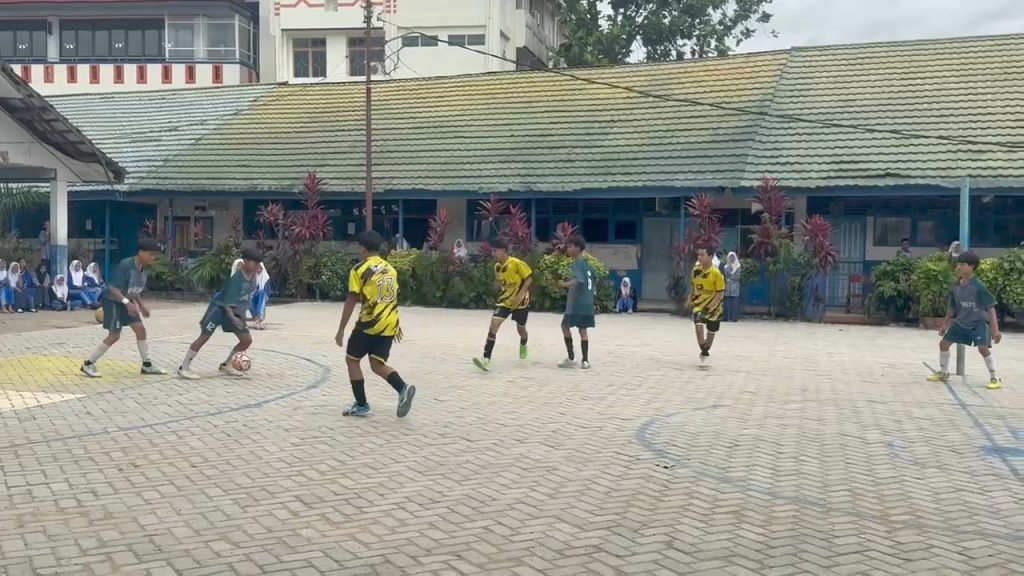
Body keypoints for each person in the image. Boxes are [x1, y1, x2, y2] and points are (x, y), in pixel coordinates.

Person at [334, 230, 416, 418]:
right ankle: (403, 388)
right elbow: (390, 298)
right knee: (377, 364)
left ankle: (362, 404)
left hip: (369, 323)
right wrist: (395, 325)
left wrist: (341, 330)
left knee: (352, 360)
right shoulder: (390, 269)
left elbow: (352, 299)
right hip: (389, 323)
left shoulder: (359, 270)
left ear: (363, 249)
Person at [81, 239, 166, 378]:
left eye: (155, 255)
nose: (153, 258)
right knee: (114, 335)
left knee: (140, 329)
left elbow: (134, 289)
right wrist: (127, 303)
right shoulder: (126, 265)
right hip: (113, 301)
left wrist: (141, 306)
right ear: (141, 252)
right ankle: (88, 363)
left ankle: (147, 365)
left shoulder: (144, 268)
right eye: (151, 254)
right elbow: (113, 288)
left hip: (127, 301)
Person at [178, 249, 262, 380]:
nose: (258, 266)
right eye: (255, 263)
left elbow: (248, 298)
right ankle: (184, 367)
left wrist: (255, 314)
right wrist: (233, 318)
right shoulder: (236, 279)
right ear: (245, 261)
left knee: (246, 340)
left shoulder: (254, 277)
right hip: (219, 309)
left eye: (259, 264)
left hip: (235, 312)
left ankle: (227, 365)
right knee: (204, 336)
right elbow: (228, 303)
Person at [927, 251, 1002, 390]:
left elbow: (991, 308)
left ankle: (995, 377)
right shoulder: (955, 286)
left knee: (983, 349)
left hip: (978, 324)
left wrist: (995, 331)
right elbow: (952, 307)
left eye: (962, 265)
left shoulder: (979, 287)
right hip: (960, 323)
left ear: (971, 267)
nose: (958, 267)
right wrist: (945, 323)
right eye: (958, 264)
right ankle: (944, 372)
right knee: (943, 344)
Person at [472, 238, 533, 371]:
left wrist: (521, 294)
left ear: (503, 251)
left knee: (521, 329)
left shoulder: (516, 263)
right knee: (493, 325)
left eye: (495, 251)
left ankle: (524, 341)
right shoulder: (497, 267)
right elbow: (499, 282)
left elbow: (529, 279)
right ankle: (486, 359)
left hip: (520, 302)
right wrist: (495, 288)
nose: (493, 253)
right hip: (505, 300)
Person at [558, 236, 597, 369]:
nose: (568, 249)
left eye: (570, 246)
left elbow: (578, 281)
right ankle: (585, 361)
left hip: (576, 303)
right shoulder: (589, 266)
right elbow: (592, 284)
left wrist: (564, 284)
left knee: (564, 326)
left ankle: (571, 358)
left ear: (578, 248)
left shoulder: (577, 263)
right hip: (588, 303)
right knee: (583, 330)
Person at [686, 246, 726, 362]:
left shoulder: (716, 274)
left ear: (711, 256)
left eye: (702, 255)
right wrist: (689, 299)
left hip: (714, 307)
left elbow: (720, 292)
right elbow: (693, 286)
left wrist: (713, 306)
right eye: (698, 255)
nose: (699, 257)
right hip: (699, 304)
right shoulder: (695, 271)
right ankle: (702, 347)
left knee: (711, 331)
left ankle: (705, 350)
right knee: (698, 323)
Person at [249, 262, 271, 329]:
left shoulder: (266, 277)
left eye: (260, 268)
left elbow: (267, 291)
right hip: (253, 295)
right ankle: (256, 319)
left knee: (261, 294)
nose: (258, 270)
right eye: (257, 268)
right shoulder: (253, 276)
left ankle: (260, 318)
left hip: (263, 296)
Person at [723, 252, 742, 322]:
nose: (731, 258)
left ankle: (734, 318)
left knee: (735, 302)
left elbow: (738, 276)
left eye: (732, 257)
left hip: (735, 286)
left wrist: (731, 278)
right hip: (728, 286)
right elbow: (726, 275)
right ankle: (726, 317)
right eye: (730, 257)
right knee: (727, 303)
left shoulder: (738, 266)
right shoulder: (726, 267)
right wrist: (732, 277)